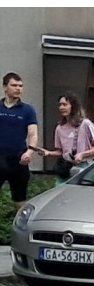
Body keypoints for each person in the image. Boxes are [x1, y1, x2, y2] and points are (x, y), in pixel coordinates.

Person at [0, 71, 40, 202]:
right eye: (14, 85)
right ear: (5, 87)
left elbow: (33, 134)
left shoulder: (28, 110)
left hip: (18, 160)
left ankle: (19, 222)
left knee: (20, 199)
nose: (18, 88)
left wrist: (30, 152)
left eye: (21, 86)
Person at [43, 93, 94, 179]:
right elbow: (62, 151)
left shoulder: (85, 124)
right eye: (60, 105)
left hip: (86, 166)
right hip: (67, 167)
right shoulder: (59, 128)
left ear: (73, 106)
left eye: (65, 104)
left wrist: (83, 154)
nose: (61, 107)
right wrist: (49, 153)